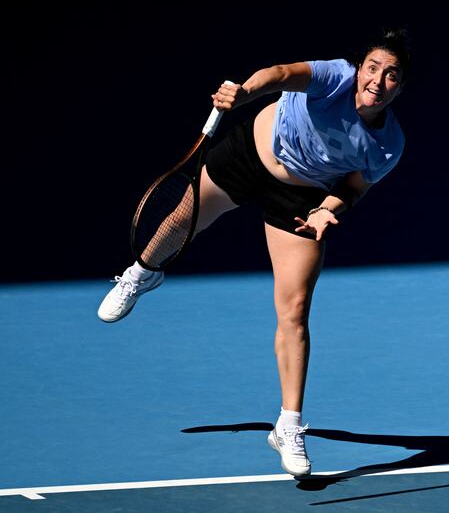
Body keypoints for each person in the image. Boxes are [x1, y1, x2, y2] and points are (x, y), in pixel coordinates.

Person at [97, 28, 411, 477]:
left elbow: (354, 188)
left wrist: (327, 209)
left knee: (295, 309)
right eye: (373, 68)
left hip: (302, 201)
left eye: (392, 76)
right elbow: (281, 75)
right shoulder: (334, 77)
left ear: (401, 87)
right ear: (359, 69)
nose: (378, 82)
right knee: (182, 219)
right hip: (249, 156)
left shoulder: (387, 144)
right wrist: (244, 92)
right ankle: (141, 273)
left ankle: (287, 425)